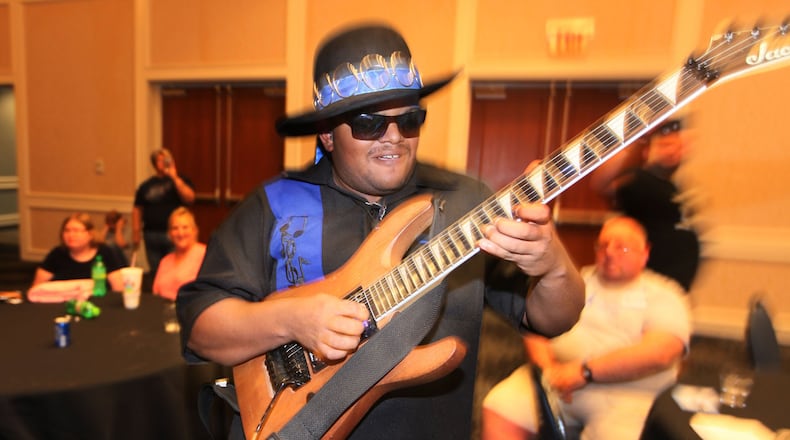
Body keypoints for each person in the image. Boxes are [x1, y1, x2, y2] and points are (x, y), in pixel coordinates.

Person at [176, 24, 585, 440]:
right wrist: (291, 320)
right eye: (370, 123)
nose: (394, 138)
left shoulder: (466, 202)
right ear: (327, 134)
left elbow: (552, 320)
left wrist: (552, 266)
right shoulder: (276, 204)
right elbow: (201, 329)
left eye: (409, 120)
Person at [482, 216, 691, 440]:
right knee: (501, 405)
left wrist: (584, 372)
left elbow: (661, 352)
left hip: (627, 395)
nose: (609, 253)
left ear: (645, 252)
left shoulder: (664, 294)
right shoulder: (575, 282)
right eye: (603, 245)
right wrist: (547, 370)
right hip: (554, 381)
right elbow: (535, 326)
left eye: (621, 247)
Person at [593, 119, 701, 291]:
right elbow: (600, 184)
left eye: (678, 146)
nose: (673, 151)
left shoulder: (674, 186)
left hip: (672, 288)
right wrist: (635, 140)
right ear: (647, 152)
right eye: (665, 145)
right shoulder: (640, 180)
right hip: (647, 285)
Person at [132, 148, 195, 276]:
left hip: (174, 234)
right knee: (156, 272)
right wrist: (136, 232)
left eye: (165, 159)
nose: (163, 162)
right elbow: (137, 209)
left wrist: (174, 177)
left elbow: (190, 198)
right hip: (151, 234)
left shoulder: (180, 180)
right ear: (154, 164)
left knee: (175, 271)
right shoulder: (146, 185)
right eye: (159, 160)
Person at [31, 212, 125, 291]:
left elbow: (118, 288)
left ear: (90, 234)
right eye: (67, 231)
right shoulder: (57, 254)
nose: (71, 235)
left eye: (76, 231)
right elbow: (37, 287)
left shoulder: (104, 252)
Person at [153, 207, 206, 301]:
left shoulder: (205, 254)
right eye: (175, 228)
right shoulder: (165, 261)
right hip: (162, 307)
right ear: (169, 233)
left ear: (195, 230)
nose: (180, 233)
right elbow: (155, 293)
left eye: (185, 227)